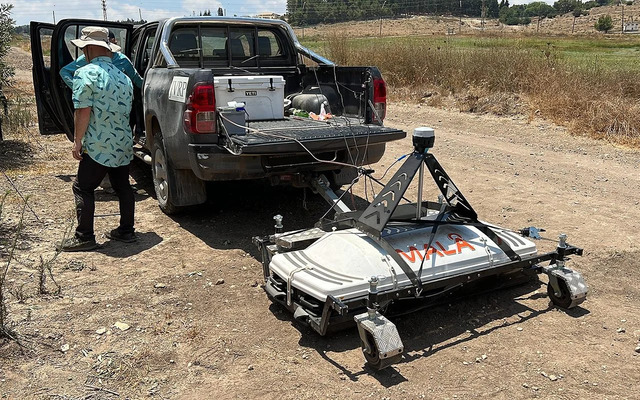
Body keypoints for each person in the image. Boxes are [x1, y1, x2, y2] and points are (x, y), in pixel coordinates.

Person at [57, 26, 136, 252]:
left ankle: (84, 237)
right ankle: (126, 231)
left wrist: (77, 141)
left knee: (83, 187)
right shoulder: (123, 77)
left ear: (89, 48)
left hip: (99, 144)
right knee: (123, 187)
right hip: (122, 142)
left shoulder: (85, 73)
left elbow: (83, 110)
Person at [60, 30, 143, 89]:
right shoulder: (126, 82)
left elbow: (137, 80)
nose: (84, 51)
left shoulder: (123, 59)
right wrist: (76, 87)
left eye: (84, 48)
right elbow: (64, 71)